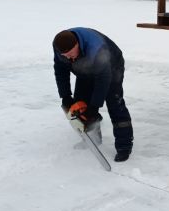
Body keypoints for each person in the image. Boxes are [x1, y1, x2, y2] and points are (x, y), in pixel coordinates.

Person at [53, 27, 133, 162]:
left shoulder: (96, 48)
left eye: (71, 55)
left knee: (114, 103)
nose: (69, 58)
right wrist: (65, 96)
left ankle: (124, 146)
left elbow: (103, 78)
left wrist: (94, 107)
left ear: (77, 45)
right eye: (66, 57)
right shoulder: (59, 47)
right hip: (85, 67)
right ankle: (94, 138)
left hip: (111, 66)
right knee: (81, 103)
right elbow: (60, 70)